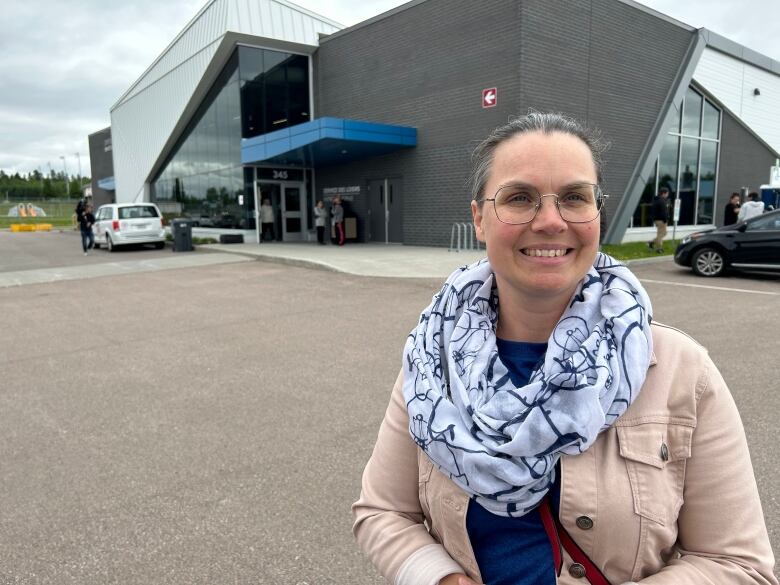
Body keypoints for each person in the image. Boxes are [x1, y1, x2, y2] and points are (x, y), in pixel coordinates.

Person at [353, 113, 777, 585]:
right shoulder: (432, 362)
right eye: (519, 198)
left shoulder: (681, 370)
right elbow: (382, 513)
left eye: (575, 197)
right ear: (479, 219)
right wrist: (442, 580)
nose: (551, 222)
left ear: (597, 213)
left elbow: (738, 565)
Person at [648, 186, 669, 253]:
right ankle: (659, 249)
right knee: (660, 234)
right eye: (667, 193)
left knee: (664, 233)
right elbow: (663, 212)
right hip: (661, 220)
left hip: (657, 219)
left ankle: (651, 242)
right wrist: (665, 220)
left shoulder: (657, 200)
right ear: (663, 193)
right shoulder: (661, 201)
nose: (667, 195)